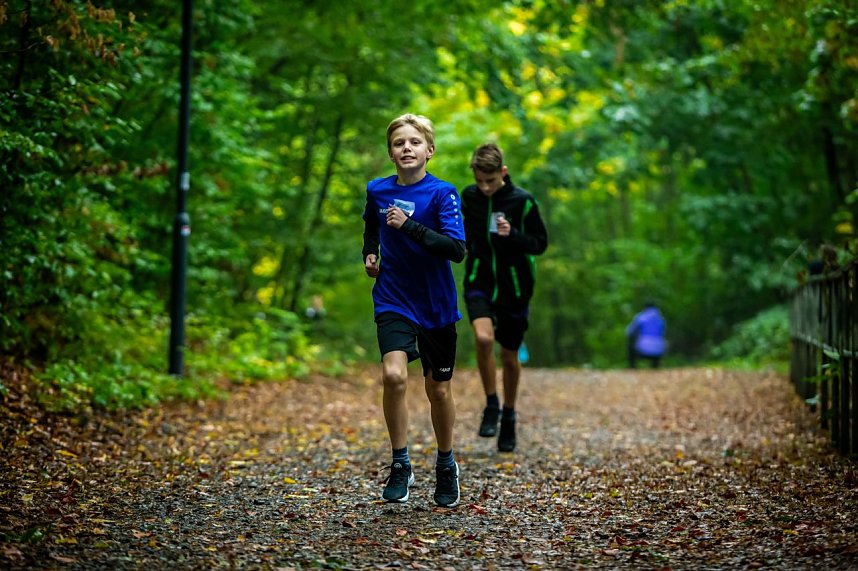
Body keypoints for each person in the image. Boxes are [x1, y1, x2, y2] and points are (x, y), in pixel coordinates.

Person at [362, 113, 466, 507]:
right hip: (393, 296)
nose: (406, 147)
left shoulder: (443, 194)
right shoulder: (377, 191)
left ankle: (445, 463)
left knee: (438, 390)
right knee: (393, 376)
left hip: (436, 303)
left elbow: (455, 250)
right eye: (399, 143)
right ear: (390, 153)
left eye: (414, 142)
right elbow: (371, 226)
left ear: (429, 151)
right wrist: (370, 253)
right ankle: (400, 463)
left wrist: (408, 226)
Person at [461, 143, 548, 453]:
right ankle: (491, 404)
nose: (484, 188)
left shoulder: (522, 201)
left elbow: (540, 244)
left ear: (503, 173)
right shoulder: (468, 197)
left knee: (509, 357)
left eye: (491, 181)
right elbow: (460, 235)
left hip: (514, 286)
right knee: (483, 340)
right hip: (479, 280)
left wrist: (512, 235)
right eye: (480, 180)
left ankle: (509, 414)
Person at [626, 302, 666, 368]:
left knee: (630, 344)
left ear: (645, 308)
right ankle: (655, 366)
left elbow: (630, 331)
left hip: (642, 349)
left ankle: (632, 367)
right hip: (659, 350)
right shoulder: (661, 319)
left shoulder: (641, 317)